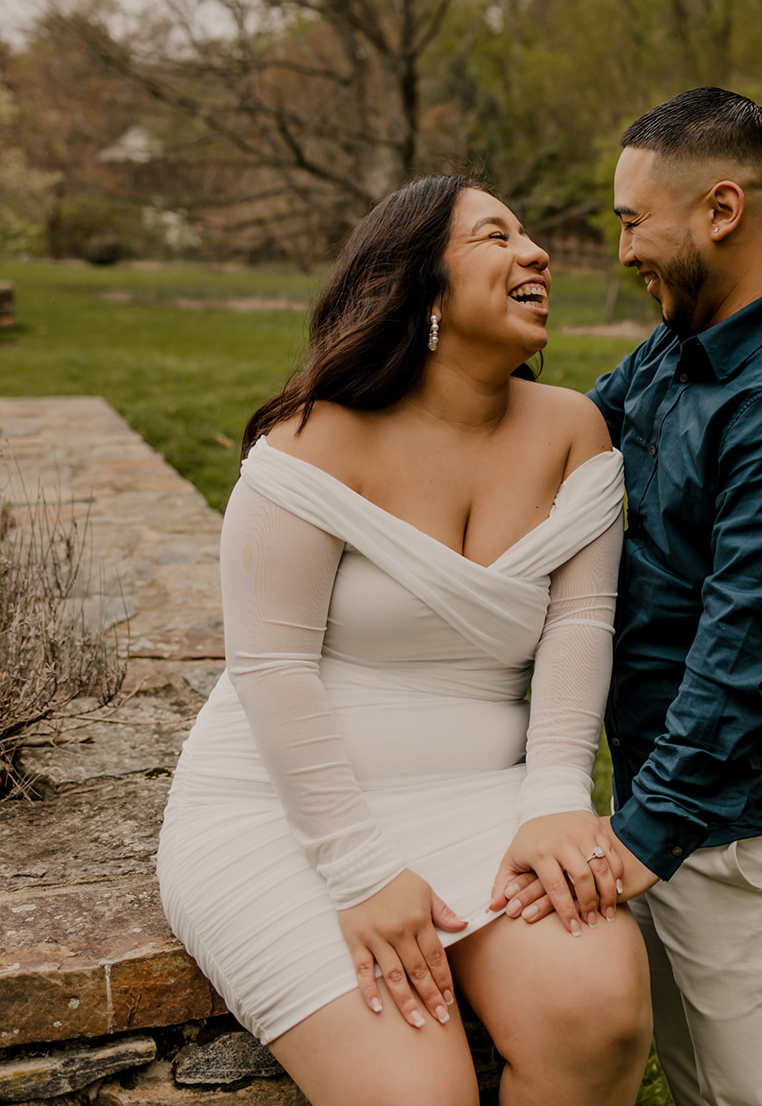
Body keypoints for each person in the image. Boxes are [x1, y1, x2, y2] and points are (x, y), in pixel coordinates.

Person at [157, 174, 652, 1106]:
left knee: (602, 1008)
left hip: (491, 796)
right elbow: (270, 668)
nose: (536, 253)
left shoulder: (572, 429)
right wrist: (357, 869)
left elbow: (581, 623)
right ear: (420, 288)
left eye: (529, 235)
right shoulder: (312, 443)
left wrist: (553, 796)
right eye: (495, 237)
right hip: (289, 812)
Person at [496, 88, 762, 1106]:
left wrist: (640, 837)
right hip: (679, 808)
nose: (621, 246)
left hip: (756, 834)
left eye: (633, 220)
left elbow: (749, 649)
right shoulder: (686, 344)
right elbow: (569, 430)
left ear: (718, 209)